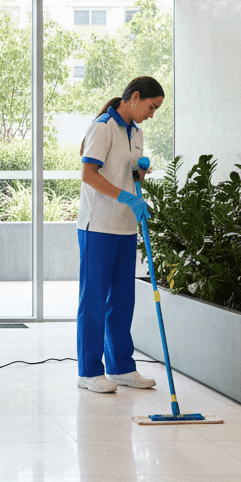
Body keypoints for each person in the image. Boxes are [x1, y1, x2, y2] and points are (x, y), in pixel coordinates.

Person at [76, 75, 165, 394]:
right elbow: (89, 174)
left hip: (126, 227)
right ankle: (88, 371)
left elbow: (129, 176)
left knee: (123, 300)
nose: (151, 115)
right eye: (151, 107)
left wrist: (140, 172)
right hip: (98, 226)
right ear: (135, 97)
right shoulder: (103, 127)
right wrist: (126, 197)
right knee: (94, 300)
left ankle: (121, 368)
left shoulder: (136, 132)